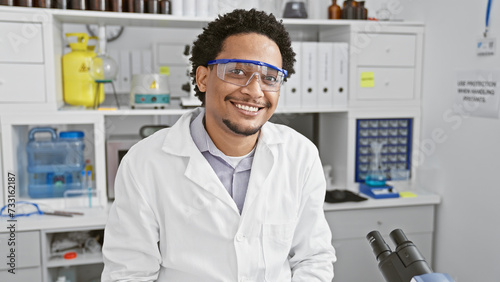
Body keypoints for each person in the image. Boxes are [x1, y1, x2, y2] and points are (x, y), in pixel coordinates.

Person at [101, 9, 336, 282]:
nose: (255, 91)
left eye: (270, 78)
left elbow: (313, 258)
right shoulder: (144, 163)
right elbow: (128, 274)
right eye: (237, 71)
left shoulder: (301, 156)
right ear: (202, 78)